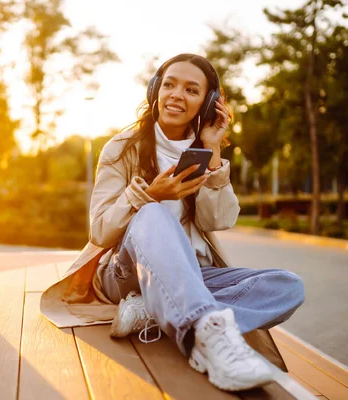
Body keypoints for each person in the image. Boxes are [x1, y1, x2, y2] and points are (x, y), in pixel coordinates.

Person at [40, 53, 305, 392]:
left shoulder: (203, 151)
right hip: (124, 274)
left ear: (207, 104)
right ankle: (205, 338)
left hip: (188, 273)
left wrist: (212, 152)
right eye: (169, 85)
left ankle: (157, 312)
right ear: (156, 90)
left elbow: (219, 220)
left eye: (192, 90)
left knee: (287, 286)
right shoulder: (121, 149)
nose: (177, 95)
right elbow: (100, 231)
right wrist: (148, 196)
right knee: (152, 213)